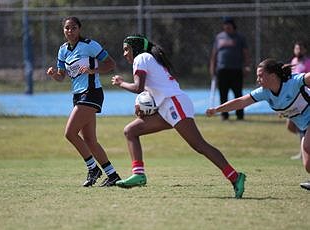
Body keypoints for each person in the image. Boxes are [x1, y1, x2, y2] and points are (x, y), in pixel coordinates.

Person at [111, 34, 246, 198]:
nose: (125, 53)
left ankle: (235, 177)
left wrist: (121, 83)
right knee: (130, 131)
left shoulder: (141, 58)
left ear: (136, 48)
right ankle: (139, 174)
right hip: (168, 105)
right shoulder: (149, 59)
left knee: (199, 145)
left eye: (127, 49)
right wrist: (142, 106)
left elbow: (139, 88)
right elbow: (150, 90)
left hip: (174, 104)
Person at [206, 58, 310, 191]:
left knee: (307, 146)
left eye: (261, 76)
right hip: (305, 126)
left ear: (273, 76)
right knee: (307, 165)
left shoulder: (294, 82)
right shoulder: (264, 92)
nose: (257, 79)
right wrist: (217, 110)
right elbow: (241, 101)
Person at [46, 16, 121, 187]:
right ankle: (112, 175)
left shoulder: (89, 45)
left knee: (70, 133)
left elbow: (111, 64)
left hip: (92, 93)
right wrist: (53, 75)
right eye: (67, 28)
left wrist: (93, 69)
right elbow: (61, 77)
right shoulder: (63, 50)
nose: (70, 31)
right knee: (90, 140)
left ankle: (93, 168)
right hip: (78, 95)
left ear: (79, 29)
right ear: (63, 30)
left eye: (73, 28)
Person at [209, 16, 251, 121]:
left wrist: (246, 66)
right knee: (223, 93)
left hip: (236, 70)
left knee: (238, 94)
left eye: (229, 24)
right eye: (225, 24)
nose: (227, 26)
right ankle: (224, 115)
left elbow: (245, 53)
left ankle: (240, 115)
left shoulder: (239, 37)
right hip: (222, 69)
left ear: (233, 25)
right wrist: (212, 67)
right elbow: (214, 54)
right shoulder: (219, 37)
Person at [287, 41, 310, 160]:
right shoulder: (293, 62)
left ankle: (304, 153)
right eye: (296, 48)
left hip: (304, 98)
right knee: (290, 126)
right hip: (293, 99)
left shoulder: (308, 62)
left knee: (302, 126)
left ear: (305, 50)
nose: (298, 50)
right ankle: (304, 144)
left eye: (300, 48)